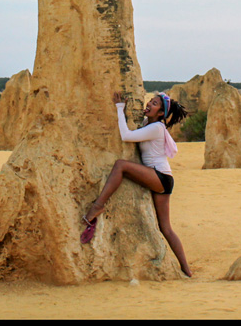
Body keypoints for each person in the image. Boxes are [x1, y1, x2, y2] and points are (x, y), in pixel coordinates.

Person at [80, 91, 193, 278]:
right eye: (151, 100)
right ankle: (186, 270)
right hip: (162, 178)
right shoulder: (148, 124)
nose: (149, 104)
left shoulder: (156, 127)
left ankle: (97, 206)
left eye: (155, 104)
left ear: (161, 114)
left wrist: (119, 108)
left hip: (160, 176)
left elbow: (126, 136)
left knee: (121, 166)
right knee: (165, 228)